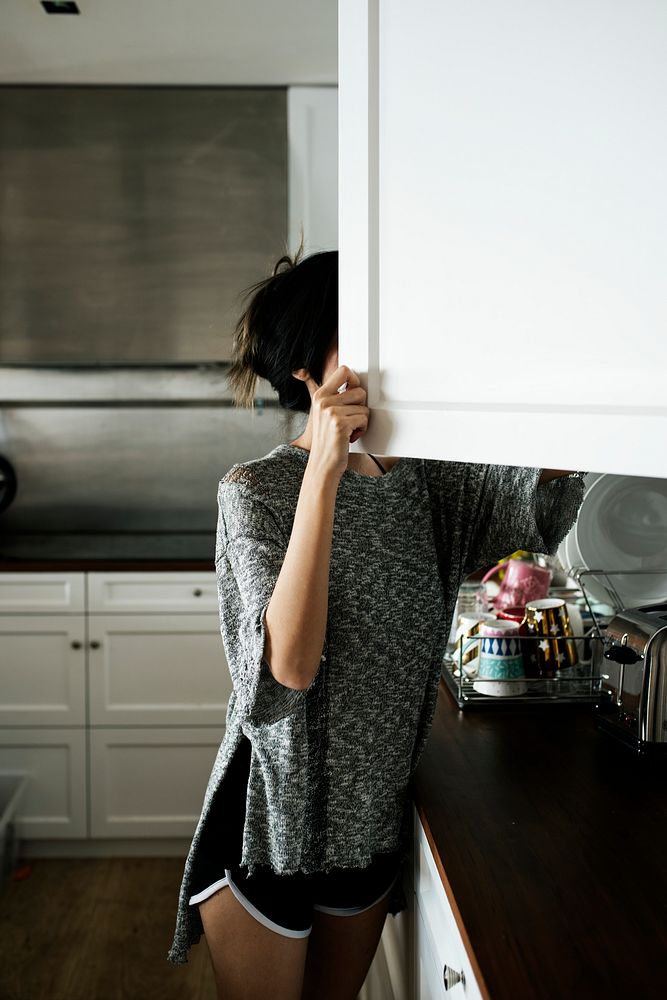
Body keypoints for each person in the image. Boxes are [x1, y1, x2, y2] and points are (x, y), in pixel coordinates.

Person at [167, 245, 586, 999]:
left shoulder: (430, 484)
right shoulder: (254, 492)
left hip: (367, 825)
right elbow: (287, 670)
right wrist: (323, 471)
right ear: (306, 363)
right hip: (269, 823)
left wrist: (549, 361)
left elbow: (538, 491)